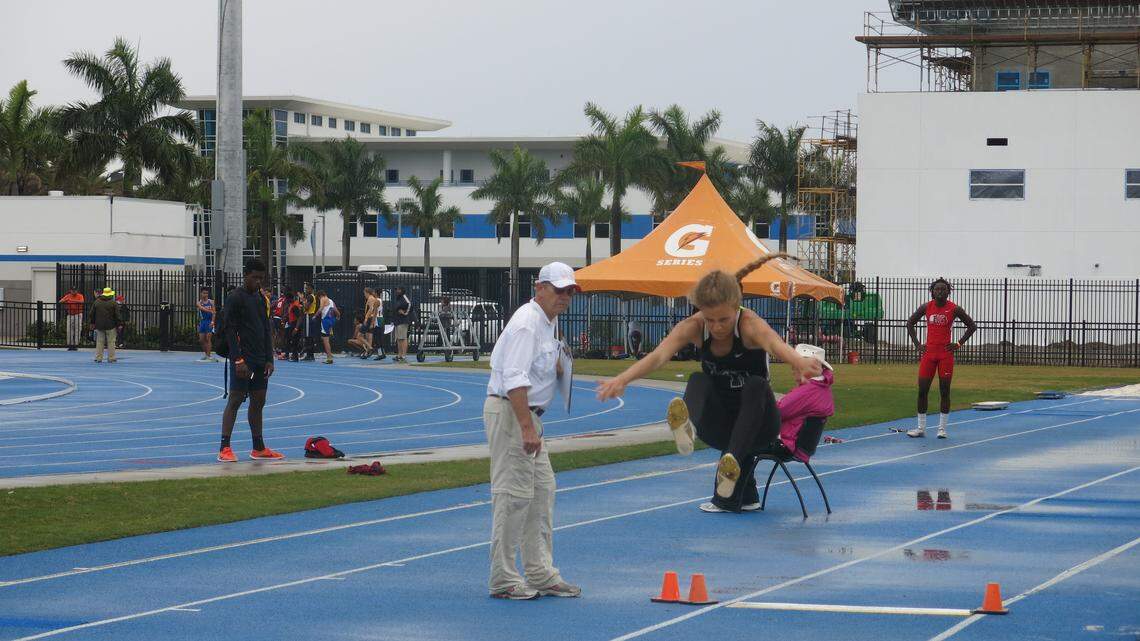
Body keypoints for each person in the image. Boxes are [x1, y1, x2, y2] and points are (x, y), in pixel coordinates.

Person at [596, 256, 822, 513]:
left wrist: (798, 361)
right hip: (719, 425)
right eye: (710, 319)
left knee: (756, 385)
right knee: (698, 379)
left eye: (723, 320)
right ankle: (688, 429)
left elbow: (774, 344)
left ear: (737, 308)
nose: (716, 327)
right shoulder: (693, 327)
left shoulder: (749, 325)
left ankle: (732, 465)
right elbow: (659, 356)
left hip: (760, 424)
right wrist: (622, 379)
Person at [484, 262, 581, 600]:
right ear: (539, 288)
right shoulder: (528, 323)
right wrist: (527, 427)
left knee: (542, 491)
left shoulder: (547, 323)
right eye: (558, 290)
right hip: (514, 414)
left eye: (570, 291)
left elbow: (534, 368)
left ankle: (540, 572)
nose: (565, 297)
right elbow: (514, 377)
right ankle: (504, 578)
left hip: (529, 417)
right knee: (514, 495)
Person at [218, 258, 284, 463]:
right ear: (245, 275)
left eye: (261, 279)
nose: (258, 282)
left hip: (259, 359)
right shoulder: (235, 298)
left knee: (259, 400)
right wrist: (238, 359)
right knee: (236, 399)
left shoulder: (260, 299)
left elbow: (266, 329)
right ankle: (224, 447)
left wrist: (269, 358)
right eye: (255, 278)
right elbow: (229, 330)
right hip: (242, 359)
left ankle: (258, 447)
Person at [905, 278, 977, 439]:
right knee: (922, 390)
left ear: (948, 291)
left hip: (945, 355)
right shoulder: (926, 307)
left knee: (945, 391)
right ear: (932, 291)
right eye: (937, 289)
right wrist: (917, 344)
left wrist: (958, 343)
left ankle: (942, 429)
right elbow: (910, 323)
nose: (940, 292)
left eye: (943, 289)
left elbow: (972, 326)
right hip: (929, 354)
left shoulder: (954, 309)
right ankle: (921, 428)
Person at [89, 287, 122, 363]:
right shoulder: (113, 303)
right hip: (111, 325)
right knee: (111, 342)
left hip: (99, 325)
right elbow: (117, 315)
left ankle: (98, 358)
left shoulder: (97, 302)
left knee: (100, 342)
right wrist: (119, 324)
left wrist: (92, 323)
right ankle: (111, 358)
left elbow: (92, 314)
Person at [318, 290, 339, 364]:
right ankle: (329, 356)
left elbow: (320, 309)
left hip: (325, 321)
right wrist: (337, 317)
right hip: (331, 320)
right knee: (326, 339)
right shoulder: (331, 301)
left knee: (325, 340)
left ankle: (329, 357)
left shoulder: (322, 299)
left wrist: (315, 315)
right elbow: (336, 311)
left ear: (320, 296)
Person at [196, 288, 217, 362]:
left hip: (209, 322)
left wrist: (212, 322)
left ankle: (208, 355)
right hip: (203, 322)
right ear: (201, 294)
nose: (205, 295)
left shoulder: (211, 302)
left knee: (208, 338)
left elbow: (214, 313)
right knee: (201, 340)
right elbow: (202, 308)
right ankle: (206, 354)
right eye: (204, 293)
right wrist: (210, 311)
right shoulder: (199, 303)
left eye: (207, 293)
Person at [392, 285, 412, 363]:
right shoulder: (398, 298)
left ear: (402, 290)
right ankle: (399, 355)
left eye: (398, 289)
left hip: (403, 320)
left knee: (403, 338)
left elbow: (409, 304)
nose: (396, 291)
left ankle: (403, 355)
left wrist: (405, 313)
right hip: (397, 320)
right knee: (399, 338)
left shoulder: (404, 297)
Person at [285, 291, 303, 362]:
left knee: (295, 341)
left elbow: (299, 317)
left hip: (295, 324)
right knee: (293, 340)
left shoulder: (295, 305)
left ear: (289, 299)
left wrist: (296, 328)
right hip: (293, 323)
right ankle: (294, 355)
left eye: (287, 299)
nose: (286, 300)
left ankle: (295, 357)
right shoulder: (292, 304)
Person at [302, 282, 318, 361]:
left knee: (308, 336)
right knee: (310, 336)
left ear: (311, 289)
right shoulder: (312, 296)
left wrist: (302, 301)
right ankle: (311, 355)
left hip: (309, 316)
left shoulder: (309, 297)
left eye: (307, 288)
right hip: (311, 316)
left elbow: (306, 307)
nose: (305, 290)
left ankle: (309, 355)